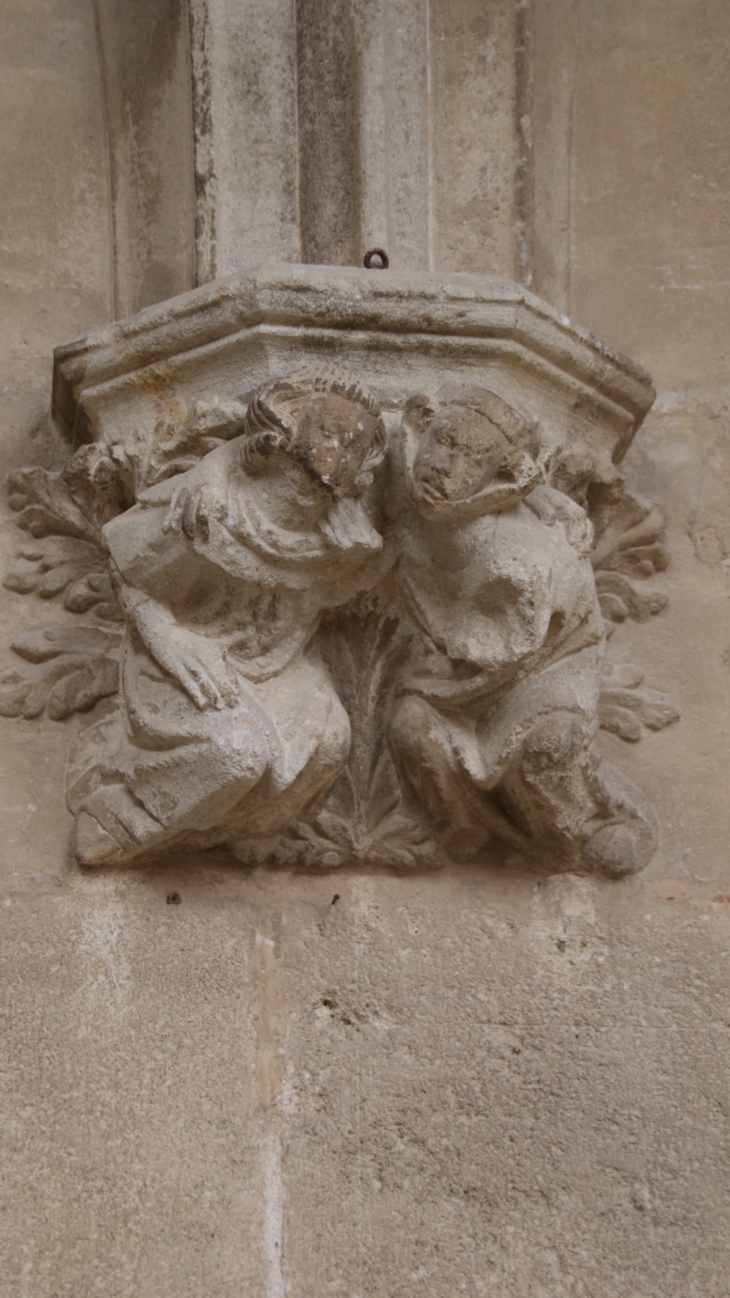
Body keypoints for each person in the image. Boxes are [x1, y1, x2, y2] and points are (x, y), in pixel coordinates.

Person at [68, 369, 389, 866]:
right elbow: (130, 567)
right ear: (286, 426)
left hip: (280, 669)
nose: (341, 455)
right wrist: (168, 637)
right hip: (187, 659)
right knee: (235, 753)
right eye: (330, 433)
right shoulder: (213, 509)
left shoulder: (344, 535)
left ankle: (219, 828)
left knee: (329, 743)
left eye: (356, 446)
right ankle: (121, 812)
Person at [388, 385, 656, 874]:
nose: (443, 464)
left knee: (546, 748)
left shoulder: (515, 560)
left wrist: (428, 676)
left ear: (497, 476)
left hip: (537, 671)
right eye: (443, 441)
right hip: (465, 669)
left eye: (470, 458)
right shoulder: (401, 466)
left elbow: (507, 650)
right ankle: (459, 825)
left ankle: (577, 831)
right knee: (409, 726)